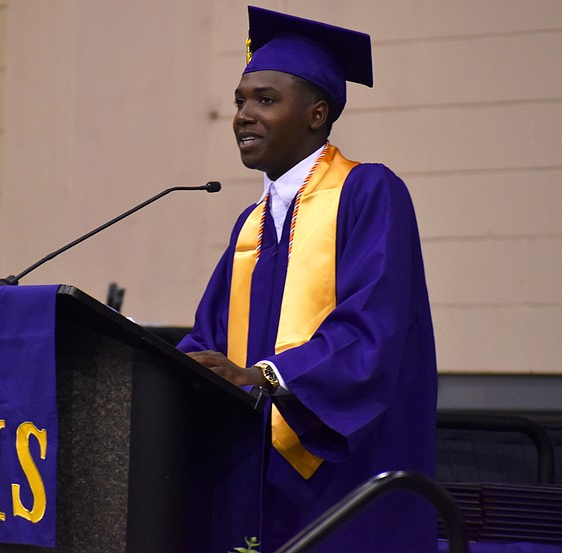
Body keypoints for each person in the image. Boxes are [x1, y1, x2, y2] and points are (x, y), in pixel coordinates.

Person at [178, 6, 438, 552]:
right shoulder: (251, 224)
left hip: (342, 467)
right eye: (240, 101)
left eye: (265, 100)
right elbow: (212, 337)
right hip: (254, 470)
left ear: (316, 114)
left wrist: (265, 376)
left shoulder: (369, 193)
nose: (244, 115)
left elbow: (373, 330)